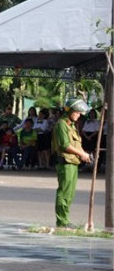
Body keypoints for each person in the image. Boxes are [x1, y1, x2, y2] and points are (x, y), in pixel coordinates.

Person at [53, 98, 92, 228]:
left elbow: (77, 144)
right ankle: (62, 221)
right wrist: (81, 154)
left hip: (73, 162)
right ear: (69, 111)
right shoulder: (61, 124)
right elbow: (65, 145)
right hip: (65, 162)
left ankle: (65, 220)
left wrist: (85, 155)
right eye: (77, 112)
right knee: (64, 192)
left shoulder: (72, 126)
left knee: (70, 194)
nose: (79, 115)